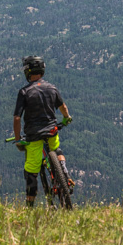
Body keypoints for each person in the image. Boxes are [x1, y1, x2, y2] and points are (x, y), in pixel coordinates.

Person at [13, 55, 73, 207]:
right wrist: (66, 118)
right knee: (57, 149)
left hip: (33, 137)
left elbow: (17, 119)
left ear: (27, 72)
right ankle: (64, 173)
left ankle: (29, 207)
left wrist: (18, 139)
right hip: (52, 131)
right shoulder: (52, 88)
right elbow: (63, 108)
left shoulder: (24, 92)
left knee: (31, 172)